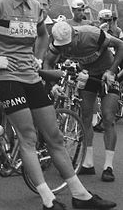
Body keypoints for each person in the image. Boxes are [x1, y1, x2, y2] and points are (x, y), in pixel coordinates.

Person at [0, 0, 116, 210]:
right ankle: (48, 199)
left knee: (54, 135)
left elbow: (44, 34)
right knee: (28, 137)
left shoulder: (36, 8)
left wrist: (38, 58)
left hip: (31, 77)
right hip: (6, 78)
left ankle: (80, 195)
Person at [45, 20, 123, 183]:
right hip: (87, 75)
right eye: (62, 46)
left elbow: (120, 45)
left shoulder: (92, 35)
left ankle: (108, 166)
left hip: (107, 75)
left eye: (68, 44)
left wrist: (112, 71)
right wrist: (52, 85)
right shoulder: (56, 45)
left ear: (75, 35)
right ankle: (87, 163)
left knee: (108, 117)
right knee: (85, 117)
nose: (66, 49)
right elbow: (48, 63)